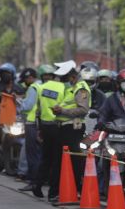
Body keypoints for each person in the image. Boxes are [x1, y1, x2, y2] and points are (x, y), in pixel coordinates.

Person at [33, 60, 89, 200]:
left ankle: (69, 191)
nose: (62, 81)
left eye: (64, 78)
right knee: (59, 160)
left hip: (73, 129)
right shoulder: (71, 88)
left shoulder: (81, 88)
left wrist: (62, 110)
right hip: (63, 128)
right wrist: (59, 111)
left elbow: (83, 110)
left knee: (73, 161)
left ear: (71, 76)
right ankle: (56, 192)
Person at [18, 64, 55, 192]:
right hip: (46, 123)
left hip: (32, 123)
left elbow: (27, 106)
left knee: (32, 154)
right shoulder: (51, 88)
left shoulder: (34, 87)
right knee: (42, 154)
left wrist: (18, 101)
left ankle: (33, 181)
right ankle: (41, 180)